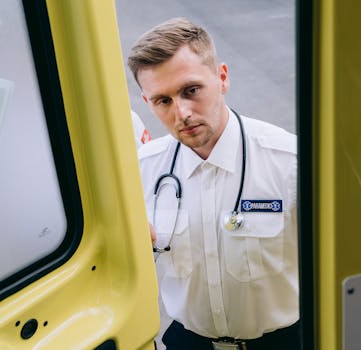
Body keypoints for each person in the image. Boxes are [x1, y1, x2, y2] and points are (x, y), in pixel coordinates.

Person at [128, 17, 299, 350]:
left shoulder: (290, 163)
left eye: (191, 90)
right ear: (148, 103)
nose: (182, 113)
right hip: (189, 343)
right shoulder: (143, 172)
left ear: (222, 77)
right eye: (163, 100)